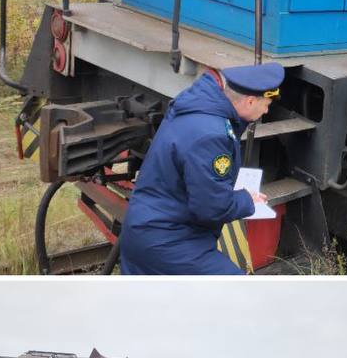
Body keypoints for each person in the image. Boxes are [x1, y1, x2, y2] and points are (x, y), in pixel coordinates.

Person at [119, 62, 284, 275]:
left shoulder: (199, 105)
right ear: (250, 101)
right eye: (266, 104)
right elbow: (211, 208)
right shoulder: (211, 135)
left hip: (150, 226)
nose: (267, 110)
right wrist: (246, 200)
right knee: (241, 295)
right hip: (167, 240)